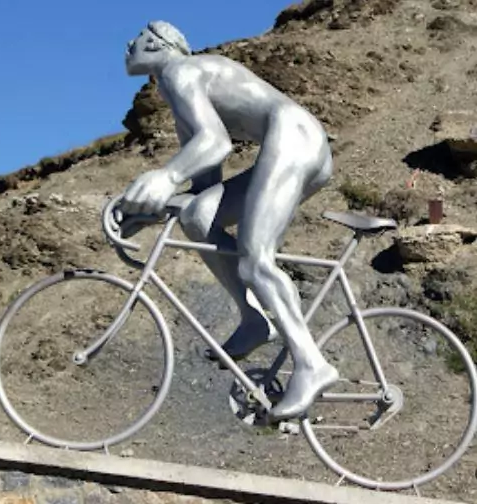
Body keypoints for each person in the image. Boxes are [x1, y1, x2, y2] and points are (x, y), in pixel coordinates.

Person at [119, 20, 339, 421]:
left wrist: (165, 177)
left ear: (155, 42)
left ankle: (311, 364)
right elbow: (205, 184)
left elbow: (215, 142)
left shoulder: (181, 71)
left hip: (294, 136)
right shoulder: (178, 88)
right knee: (198, 218)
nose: (127, 46)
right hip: (295, 139)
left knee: (256, 259)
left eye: (135, 40)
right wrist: (155, 212)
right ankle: (254, 318)